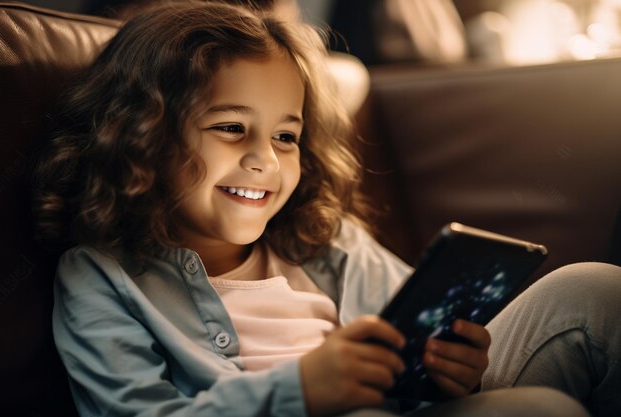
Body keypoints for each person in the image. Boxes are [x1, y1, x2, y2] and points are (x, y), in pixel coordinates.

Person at [32, 1, 617, 416]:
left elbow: (418, 354)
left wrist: (455, 372)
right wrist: (302, 393)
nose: (267, 159)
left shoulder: (327, 241)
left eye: (286, 136)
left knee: (594, 291)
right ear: (141, 138)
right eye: (233, 128)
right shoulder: (100, 275)